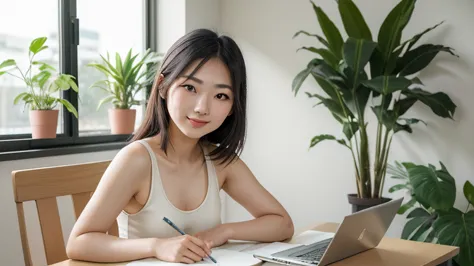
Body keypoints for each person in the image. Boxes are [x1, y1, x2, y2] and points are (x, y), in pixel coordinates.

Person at [66, 28, 294, 264]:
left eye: (220, 96)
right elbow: (79, 242)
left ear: (233, 106)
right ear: (164, 86)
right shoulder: (137, 159)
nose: (202, 107)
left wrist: (224, 231)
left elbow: (282, 223)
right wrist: (156, 246)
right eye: (190, 88)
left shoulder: (220, 161)